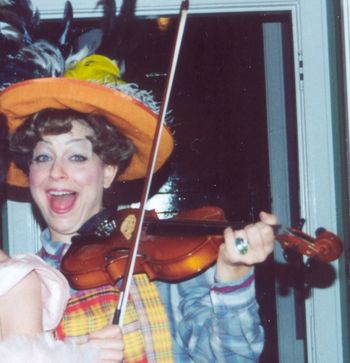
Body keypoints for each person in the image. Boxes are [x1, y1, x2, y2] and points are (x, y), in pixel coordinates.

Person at [0, 45, 277, 362]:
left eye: (76, 156)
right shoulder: (17, 281)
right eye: (43, 157)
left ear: (107, 172)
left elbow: (233, 358)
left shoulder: (160, 262)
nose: (56, 172)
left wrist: (233, 272)